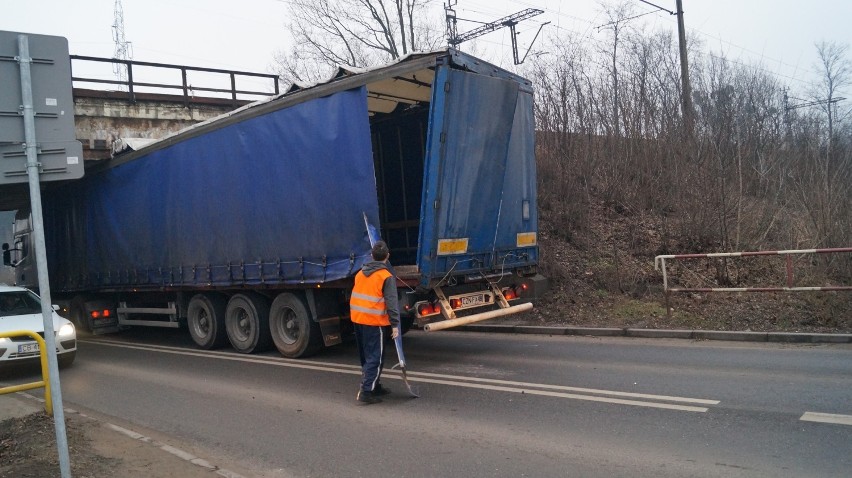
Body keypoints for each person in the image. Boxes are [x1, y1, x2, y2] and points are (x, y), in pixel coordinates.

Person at [349, 240, 400, 405]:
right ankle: (366, 391)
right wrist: (395, 325)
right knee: (376, 358)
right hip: (373, 321)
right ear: (388, 256)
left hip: (358, 319)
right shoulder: (386, 277)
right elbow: (392, 303)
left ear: (371, 256)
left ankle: (374, 385)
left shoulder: (360, 273)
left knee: (367, 356)